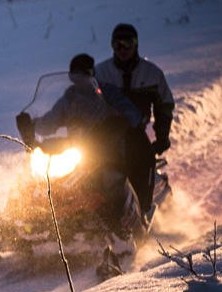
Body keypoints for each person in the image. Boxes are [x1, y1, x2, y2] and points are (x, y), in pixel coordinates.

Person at [16, 53, 146, 233]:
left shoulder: (107, 93)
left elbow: (132, 114)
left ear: (92, 75)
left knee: (109, 182)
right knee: (37, 184)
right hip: (79, 149)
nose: (79, 83)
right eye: (74, 78)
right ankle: (31, 224)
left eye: (83, 78)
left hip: (108, 151)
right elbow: (50, 122)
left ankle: (125, 227)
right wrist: (31, 125)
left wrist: (120, 121)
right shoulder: (70, 97)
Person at [95, 23, 175, 213]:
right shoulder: (101, 72)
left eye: (127, 44)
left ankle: (142, 212)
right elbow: (82, 97)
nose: (122, 49)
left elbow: (164, 106)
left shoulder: (152, 74)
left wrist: (162, 136)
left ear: (136, 44)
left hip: (135, 134)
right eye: (117, 44)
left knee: (142, 165)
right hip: (104, 133)